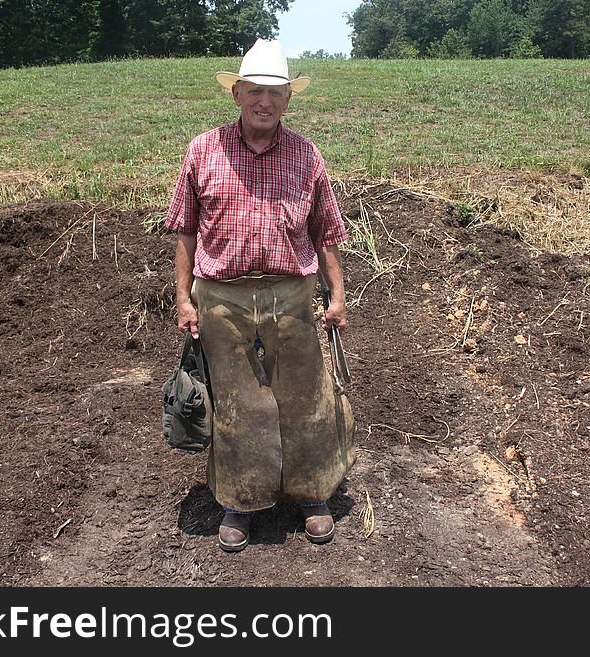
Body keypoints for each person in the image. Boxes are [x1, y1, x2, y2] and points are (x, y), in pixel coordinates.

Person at [164, 38, 355, 553]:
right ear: (238, 94)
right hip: (221, 297)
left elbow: (326, 232)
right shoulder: (203, 149)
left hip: (292, 292)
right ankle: (239, 502)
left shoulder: (307, 155)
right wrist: (184, 299)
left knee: (305, 394)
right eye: (254, 90)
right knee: (237, 401)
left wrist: (336, 293)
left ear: (288, 99)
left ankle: (313, 495)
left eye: (274, 91)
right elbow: (184, 229)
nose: (263, 100)